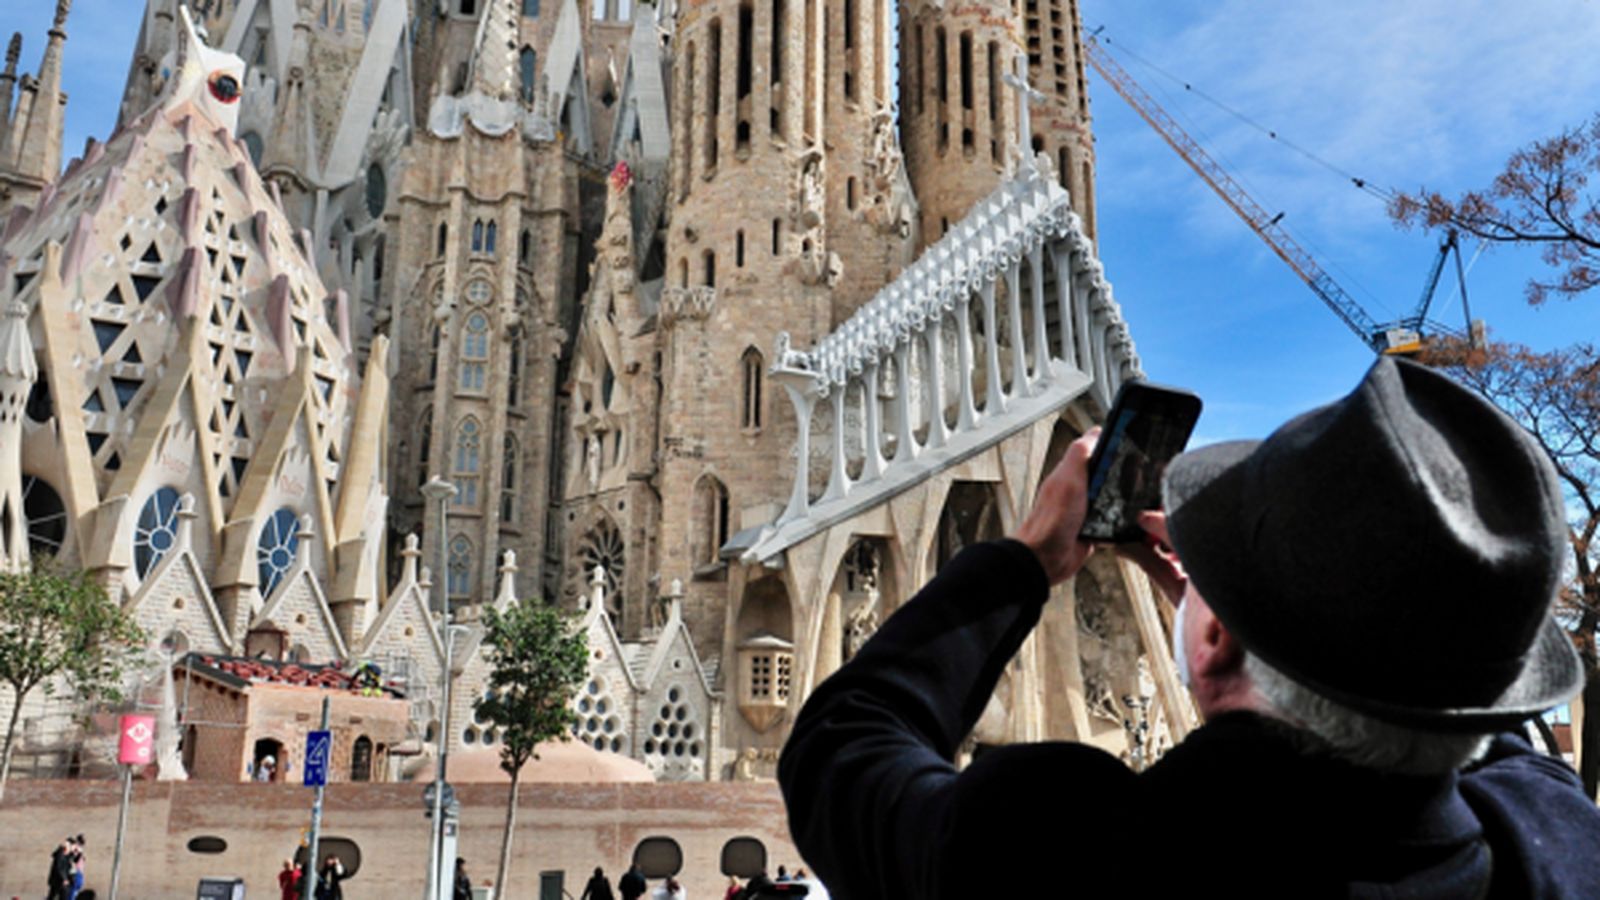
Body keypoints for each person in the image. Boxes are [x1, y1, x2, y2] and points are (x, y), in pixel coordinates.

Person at [779, 358, 1600, 897]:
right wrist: (1248, 628)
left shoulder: (1078, 853)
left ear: (1215, 646)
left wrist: (1025, 560)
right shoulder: (1553, 849)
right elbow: (1487, 709)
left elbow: (840, 750)